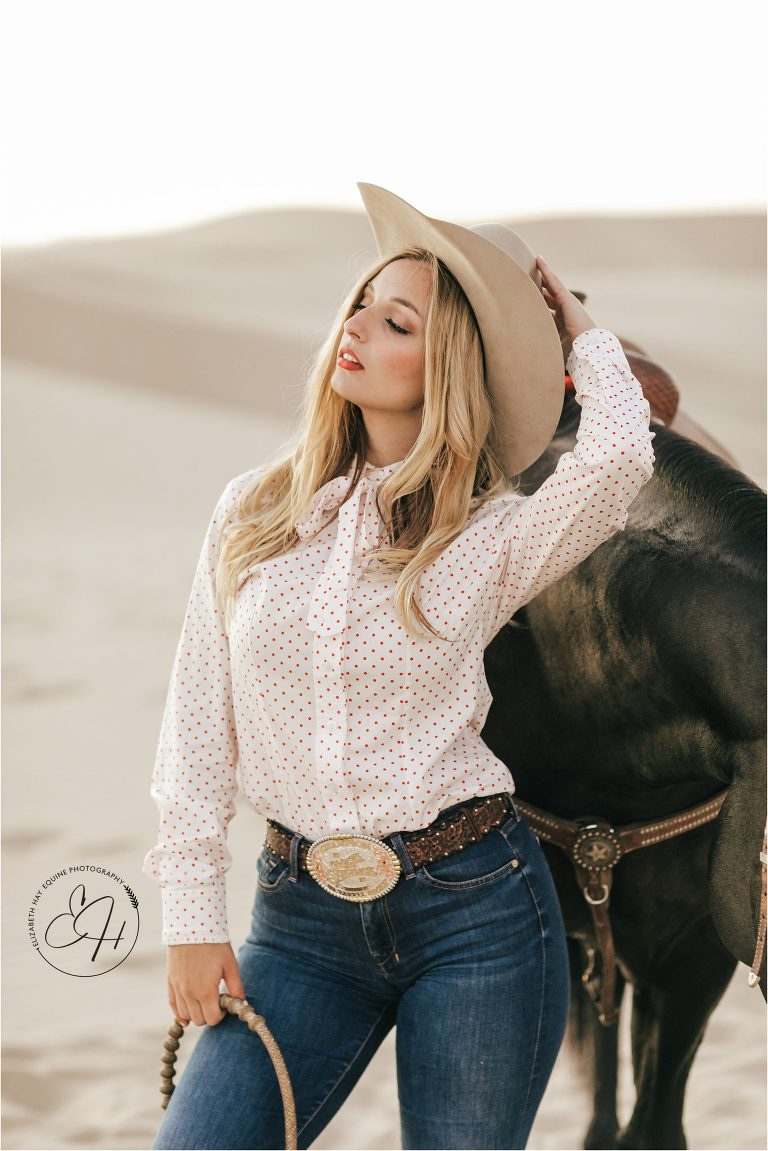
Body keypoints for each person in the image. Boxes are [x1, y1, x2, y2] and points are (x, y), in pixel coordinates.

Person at [144, 182, 655, 1150]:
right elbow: (197, 723)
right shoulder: (254, 509)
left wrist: (576, 325)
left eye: (397, 320)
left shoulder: (493, 532)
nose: (358, 329)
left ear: (449, 360)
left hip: (479, 915)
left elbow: (619, 457)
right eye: (358, 308)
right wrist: (192, 915)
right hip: (297, 923)